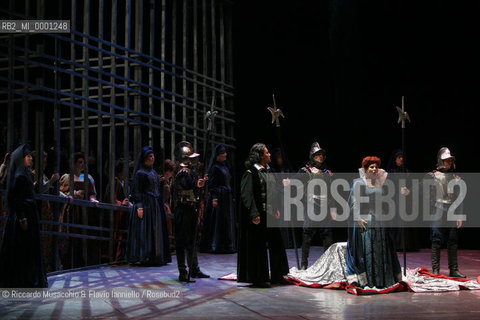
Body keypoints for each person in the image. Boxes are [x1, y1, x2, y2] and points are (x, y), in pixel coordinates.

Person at [345, 156, 402, 288]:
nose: (374, 169)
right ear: (365, 169)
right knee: (368, 250)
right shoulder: (359, 182)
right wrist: (358, 217)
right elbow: (354, 201)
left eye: (376, 167)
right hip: (366, 220)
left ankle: (383, 280)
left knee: (381, 249)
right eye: (371, 167)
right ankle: (369, 280)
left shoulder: (380, 183)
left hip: (380, 220)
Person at [238, 143, 289, 288]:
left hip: (271, 213)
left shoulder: (269, 171)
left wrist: (277, 208)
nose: (270, 154)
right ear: (260, 156)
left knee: (277, 244)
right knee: (258, 247)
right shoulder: (250, 172)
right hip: (259, 214)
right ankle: (259, 278)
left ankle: (278, 276)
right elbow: (247, 195)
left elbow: (273, 192)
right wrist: (254, 213)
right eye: (267, 153)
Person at [0, 144, 48, 287]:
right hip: (22, 217)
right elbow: (16, 199)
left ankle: (27, 279)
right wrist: (23, 218)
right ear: (21, 159)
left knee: (26, 249)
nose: (31, 158)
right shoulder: (19, 175)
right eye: (28, 156)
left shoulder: (24, 173)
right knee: (22, 249)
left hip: (26, 215)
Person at [126, 146, 171, 266]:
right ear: (145, 158)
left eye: (153, 156)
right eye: (150, 156)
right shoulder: (140, 173)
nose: (153, 158)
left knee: (155, 230)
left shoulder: (153, 172)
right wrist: (139, 206)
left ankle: (155, 257)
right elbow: (136, 190)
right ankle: (145, 256)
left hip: (154, 204)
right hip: (146, 204)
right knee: (145, 230)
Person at [172, 141, 210, 282]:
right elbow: (186, 188)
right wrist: (197, 184)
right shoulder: (182, 173)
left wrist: (200, 184)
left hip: (191, 210)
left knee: (192, 241)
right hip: (183, 211)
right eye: (192, 158)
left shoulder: (191, 172)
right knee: (183, 242)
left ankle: (194, 269)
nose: (195, 160)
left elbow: (194, 188)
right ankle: (183, 272)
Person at [426, 147, 465, 278]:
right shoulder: (431, 176)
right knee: (437, 238)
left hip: (451, 209)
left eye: (450, 160)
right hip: (438, 208)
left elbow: (459, 198)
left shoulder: (455, 177)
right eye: (446, 160)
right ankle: (435, 269)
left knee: (453, 239)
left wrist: (459, 214)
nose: (448, 162)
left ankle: (454, 269)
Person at [299, 142, 334, 270]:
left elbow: (333, 192)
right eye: (317, 154)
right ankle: (303, 264)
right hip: (311, 205)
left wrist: (334, 209)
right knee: (307, 236)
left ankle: (327, 265)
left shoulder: (328, 173)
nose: (320, 157)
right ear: (312, 156)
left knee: (327, 236)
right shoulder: (305, 171)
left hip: (325, 206)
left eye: (322, 155)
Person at [200, 144, 236, 253]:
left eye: (225, 153)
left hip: (226, 197)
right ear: (217, 155)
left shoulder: (225, 166)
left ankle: (227, 245)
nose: (225, 155)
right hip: (219, 197)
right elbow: (211, 185)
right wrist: (214, 198)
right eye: (222, 153)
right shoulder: (214, 168)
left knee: (226, 221)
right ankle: (216, 245)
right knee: (218, 221)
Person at [105, 159, 131, 262]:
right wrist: (121, 203)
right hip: (116, 214)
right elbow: (111, 199)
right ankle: (116, 257)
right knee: (117, 235)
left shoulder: (123, 183)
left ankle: (120, 256)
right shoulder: (115, 182)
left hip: (122, 214)